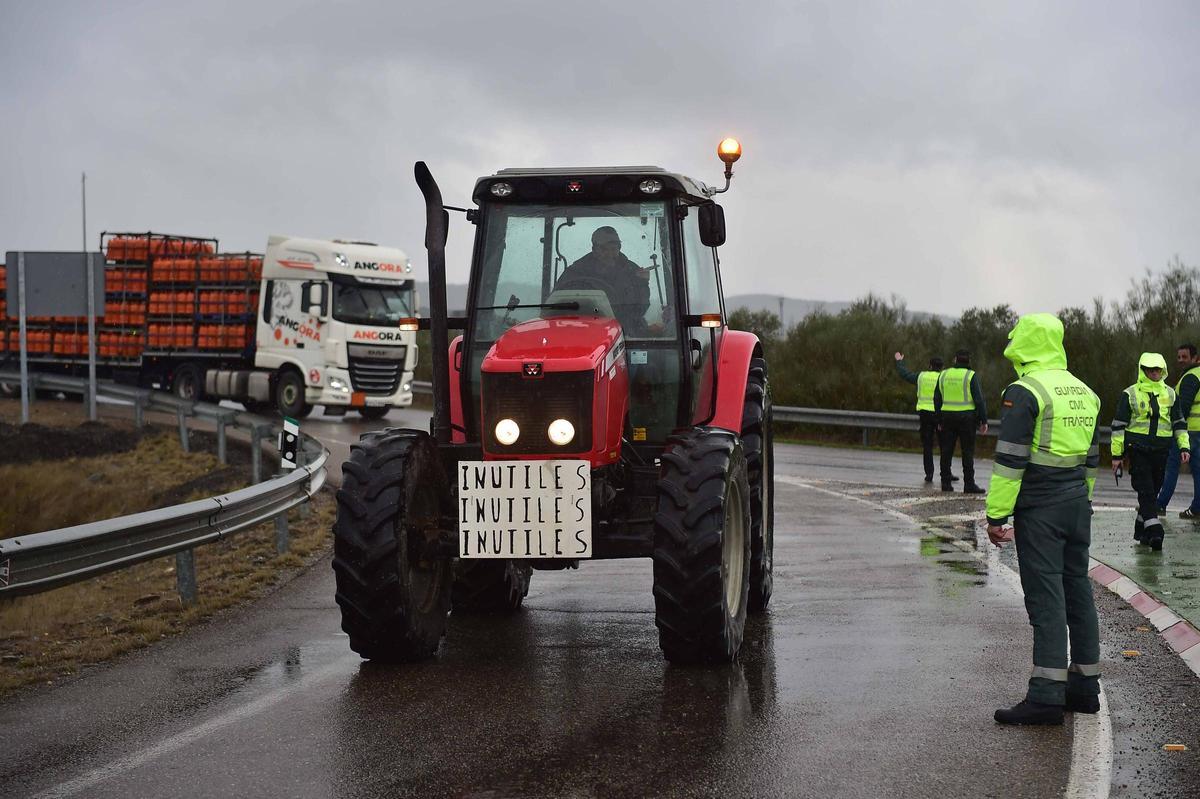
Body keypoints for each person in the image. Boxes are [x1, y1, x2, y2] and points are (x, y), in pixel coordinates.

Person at [985, 313, 1102, 725]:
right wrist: (1083, 501)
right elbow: (1092, 459)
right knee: (1077, 592)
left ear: (1024, 342)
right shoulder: (1085, 392)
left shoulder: (1025, 390)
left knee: (1046, 599)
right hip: (1077, 504)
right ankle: (1085, 689)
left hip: (1041, 507)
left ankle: (1046, 697)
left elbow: (1010, 461)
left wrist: (997, 515)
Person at [1110, 352, 1190, 550]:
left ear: (1163, 370)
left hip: (1161, 450)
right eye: (1150, 370)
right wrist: (1117, 456)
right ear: (1143, 370)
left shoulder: (1170, 394)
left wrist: (1184, 446)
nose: (1154, 373)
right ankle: (1155, 532)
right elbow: (1118, 427)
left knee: (1153, 491)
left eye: (1157, 370)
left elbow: (1179, 423)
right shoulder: (1130, 393)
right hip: (1138, 450)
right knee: (1145, 489)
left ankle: (1141, 529)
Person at [555, 226, 650, 335]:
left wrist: (643, 283)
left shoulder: (631, 271)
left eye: (613, 249)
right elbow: (556, 306)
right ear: (594, 249)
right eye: (604, 249)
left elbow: (640, 309)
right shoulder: (576, 272)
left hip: (626, 332)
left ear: (619, 248)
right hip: (583, 331)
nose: (609, 254)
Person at [893, 352, 957, 484]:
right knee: (944, 445)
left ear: (930, 366)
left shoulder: (921, 376)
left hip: (925, 415)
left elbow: (905, 374)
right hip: (940, 414)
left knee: (927, 445)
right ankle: (946, 473)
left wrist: (899, 361)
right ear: (942, 367)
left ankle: (929, 474)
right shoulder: (944, 378)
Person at [934, 349, 987, 493]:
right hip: (967, 419)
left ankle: (945, 483)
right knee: (967, 452)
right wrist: (983, 420)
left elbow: (937, 398)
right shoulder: (970, 375)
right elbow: (979, 399)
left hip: (947, 417)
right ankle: (969, 484)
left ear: (955, 359)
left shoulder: (944, 374)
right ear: (969, 361)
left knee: (946, 451)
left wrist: (938, 419)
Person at [1156, 343, 1200, 517]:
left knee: (1171, 467)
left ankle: (1160, 504)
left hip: (1187, 431)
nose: (1181, 360)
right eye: (1179, 357)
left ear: (1195, 358)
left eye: (1185, 357)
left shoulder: (1190, 377)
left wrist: (1174, 428)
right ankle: (1197, 508)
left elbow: (1183, 407)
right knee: (1198, 471)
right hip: (1197, 432)